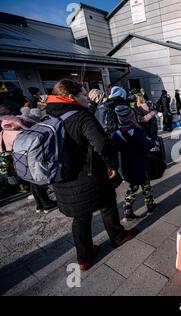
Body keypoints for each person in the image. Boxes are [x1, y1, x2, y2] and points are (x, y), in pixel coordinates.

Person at [45, 79, 137, 271]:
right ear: (71, 97)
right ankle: (117, 236)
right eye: (83, 95)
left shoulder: (49, 115)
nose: (87, 98)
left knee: (80, 217)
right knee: (107, 204)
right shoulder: (81, 116)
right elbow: (101, 143)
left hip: (62, 179)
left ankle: (84, 256)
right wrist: (111, 164)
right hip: (89, 176)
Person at [112, 105, 157, 221]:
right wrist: (153, 142)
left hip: (126, 165)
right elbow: (146, 146)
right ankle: (150, 206)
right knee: (146, 185)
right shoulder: (137, 131)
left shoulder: (115, 134)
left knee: (133, 185)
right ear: (130, 117)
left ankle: (127, 210)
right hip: (140, 164)